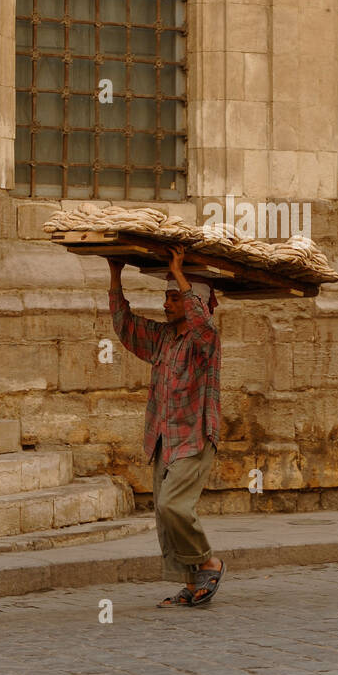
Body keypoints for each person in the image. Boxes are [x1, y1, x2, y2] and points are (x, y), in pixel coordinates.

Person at [107, 245, 225, 608]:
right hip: (163, 439)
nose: (166, 304)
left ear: (194, 303)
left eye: (173, 298)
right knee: (163, 515)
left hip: (194, 439)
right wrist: (115, 274)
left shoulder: (206, 341)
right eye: (167, 298)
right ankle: (191, 585)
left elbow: (203, 325)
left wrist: (179, 274)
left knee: (175, 506)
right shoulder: (162, 339)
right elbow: (126, 326)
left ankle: (209, 562)